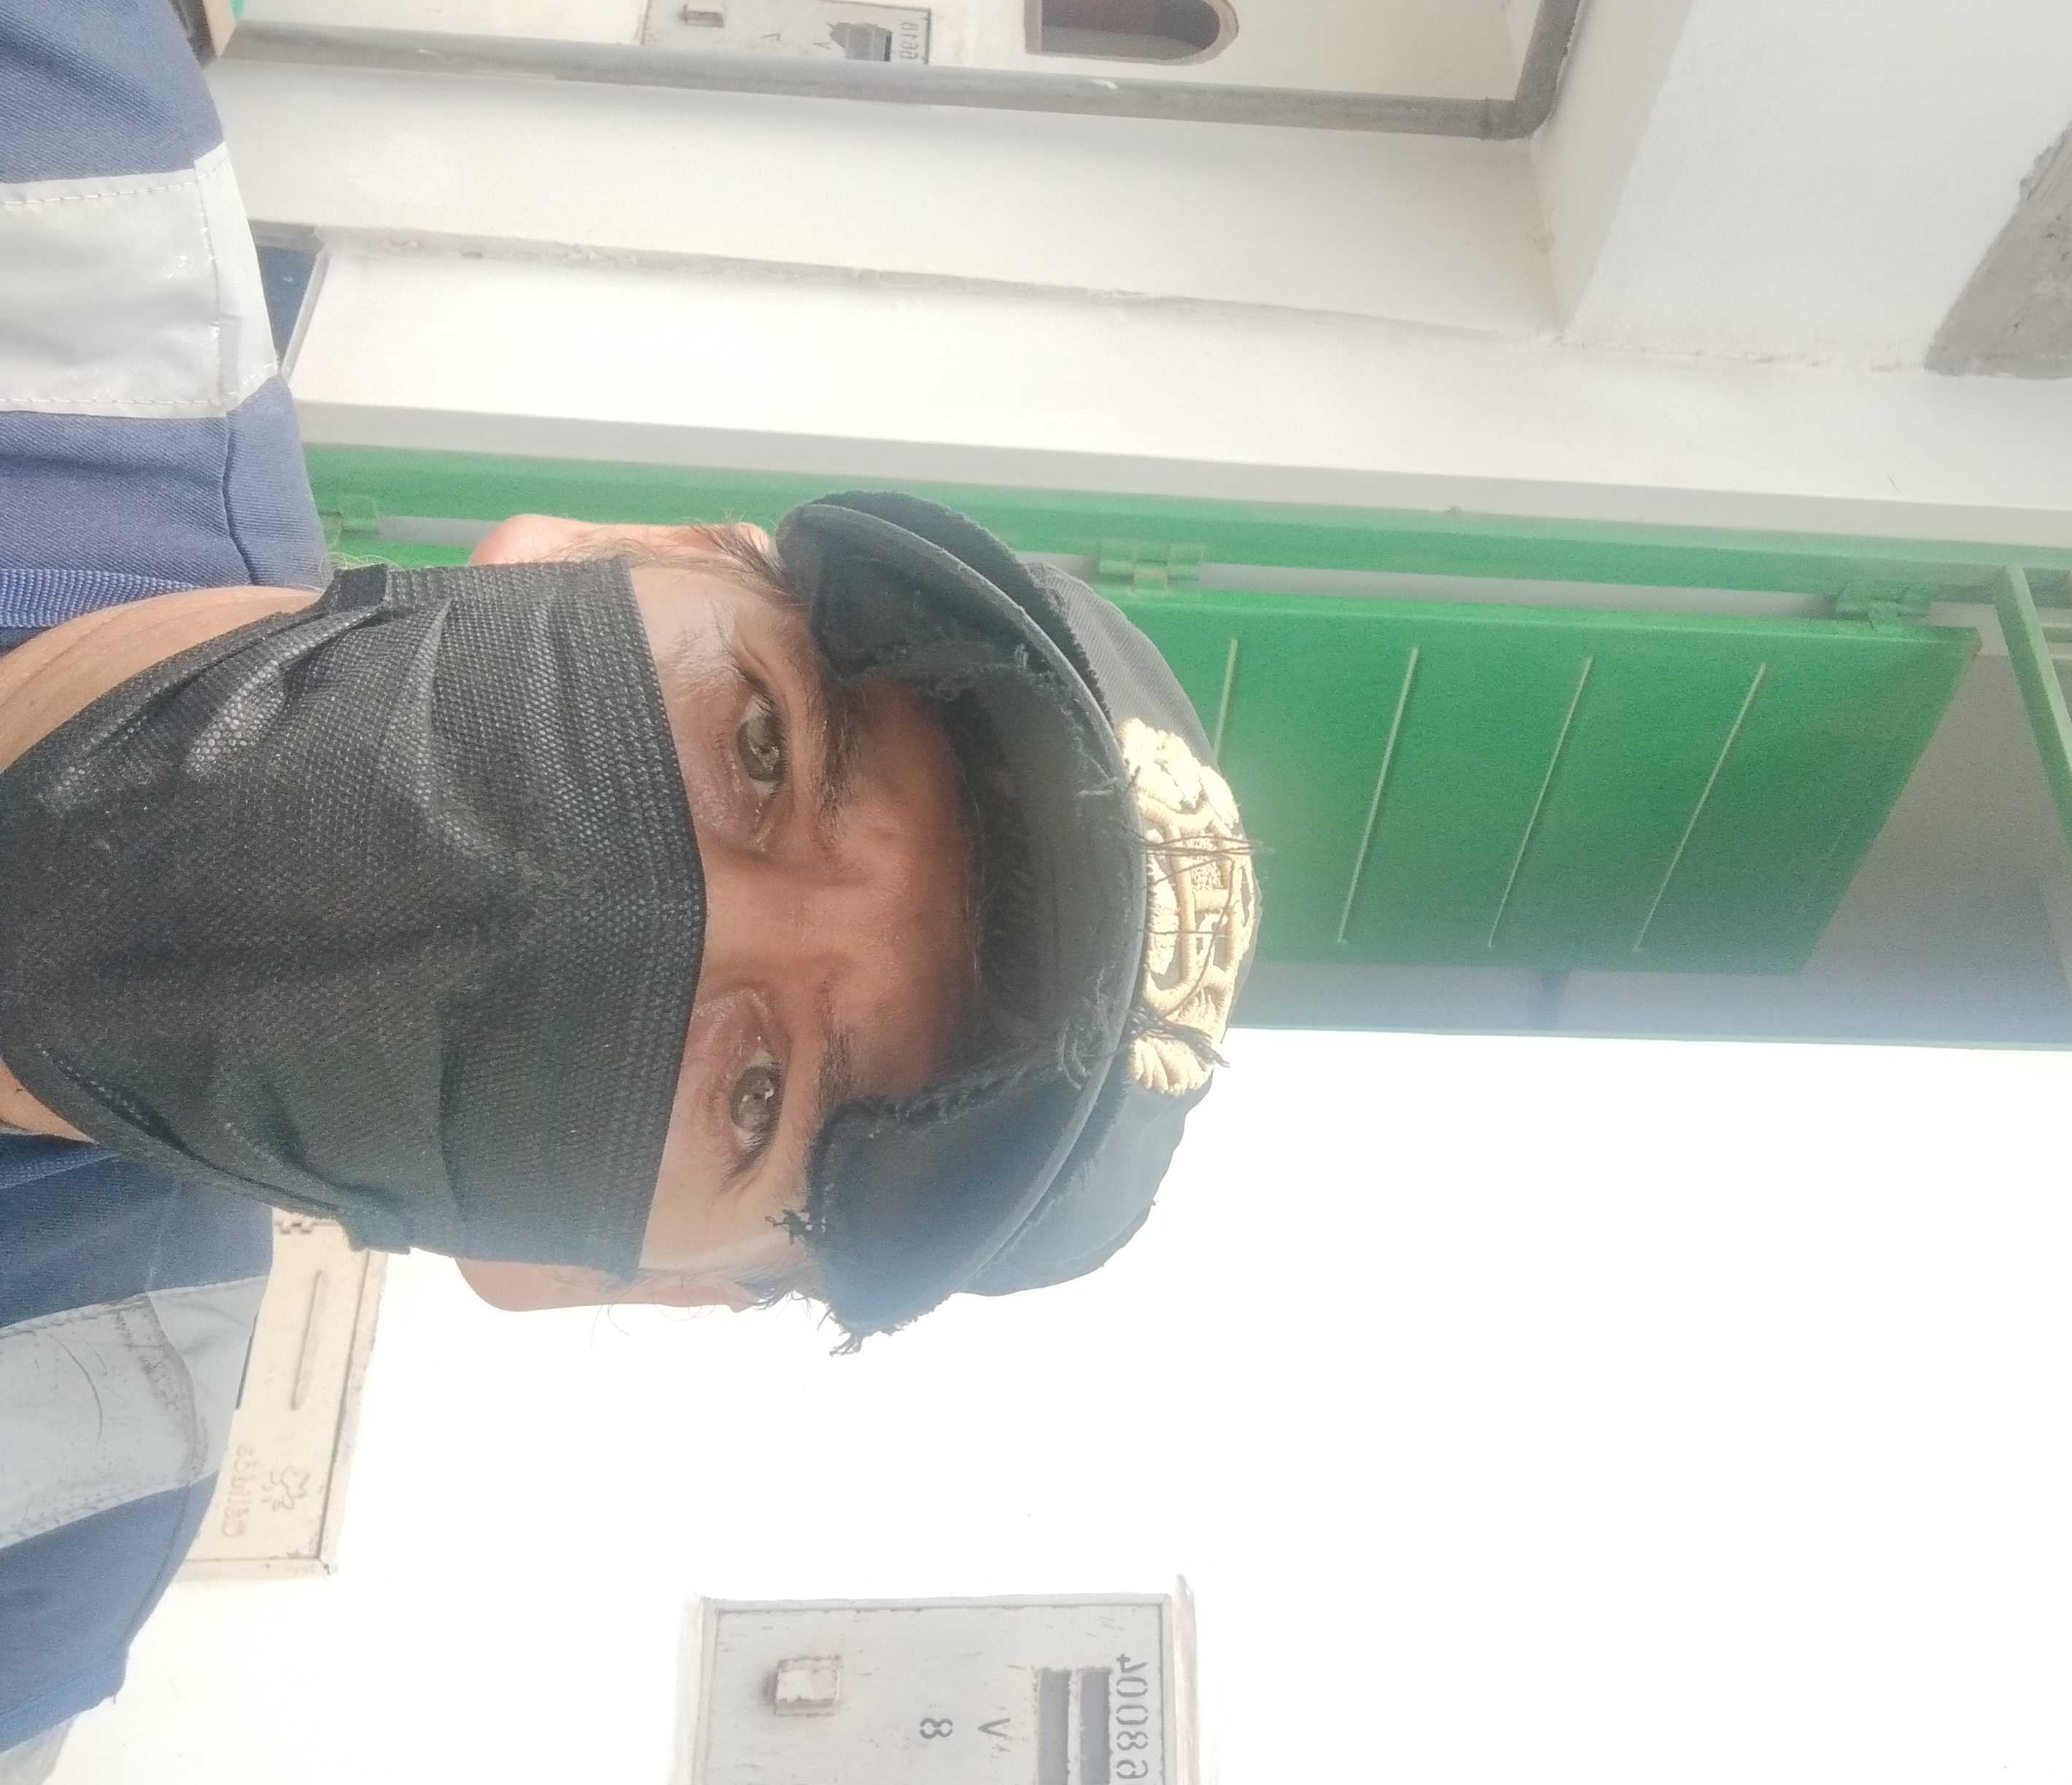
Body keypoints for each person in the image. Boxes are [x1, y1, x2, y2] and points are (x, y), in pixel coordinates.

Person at [0, 2, 1257, 1771]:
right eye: (762, 746)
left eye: (761, 1093)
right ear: (609, 547)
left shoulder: (45, 1524)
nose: (599, 917)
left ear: (596, 1281)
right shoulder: (60, 159)